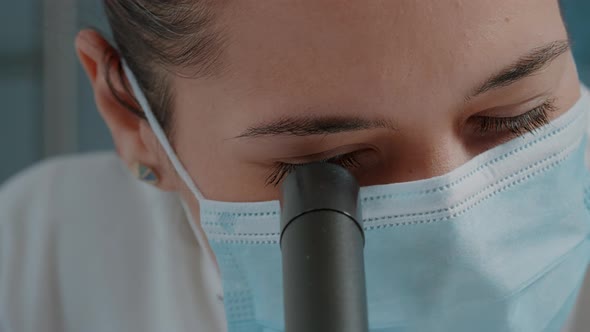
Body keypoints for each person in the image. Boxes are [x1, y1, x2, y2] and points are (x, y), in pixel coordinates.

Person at [1, 0, 589, 331]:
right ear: (131, 117)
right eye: (332, 164)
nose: (466, 244)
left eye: (519, 118)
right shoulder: (37, 261)